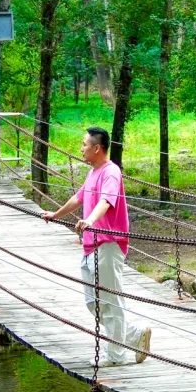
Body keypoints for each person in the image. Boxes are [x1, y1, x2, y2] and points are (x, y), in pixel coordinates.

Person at [42, 126, 151, 367]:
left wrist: (90, 220)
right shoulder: (93, 172)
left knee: (111, 301)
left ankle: (117, 356)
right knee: (94, 302)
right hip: (91, 246)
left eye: (84, 144)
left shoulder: (111, 172)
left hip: (108, 244)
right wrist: (56, 214)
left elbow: (106, 201)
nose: (81, 149)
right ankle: (134, 335)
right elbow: (78, 198)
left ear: (97, 148)